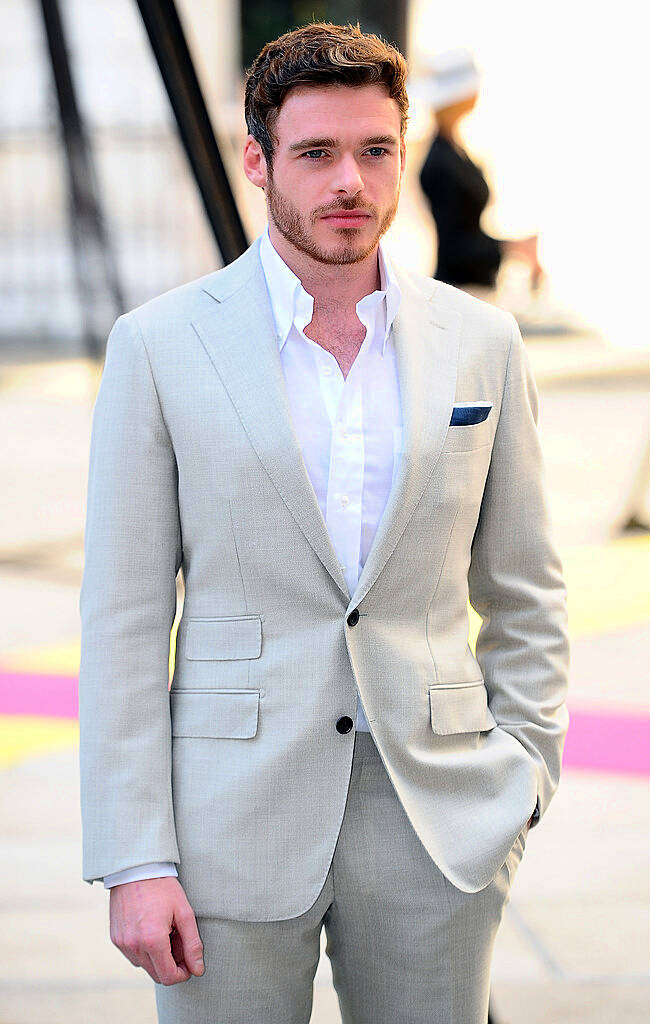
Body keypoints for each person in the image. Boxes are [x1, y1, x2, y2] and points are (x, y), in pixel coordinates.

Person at [79, 22, 569, 1024]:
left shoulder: (481, 343)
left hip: (437, 827)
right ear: (257, 162)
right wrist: (136, 855)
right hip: (226, 828)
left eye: (373, 149)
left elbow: (524, 591)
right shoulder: (160, 345)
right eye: (315, 154)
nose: (349, 180)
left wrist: (516, 788)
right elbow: (123, 619)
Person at [419, 47, 544, 295]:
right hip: (459, 289)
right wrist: (512, 248)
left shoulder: (454, 151)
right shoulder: (442, 161)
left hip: (468, 286)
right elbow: (454, 247)